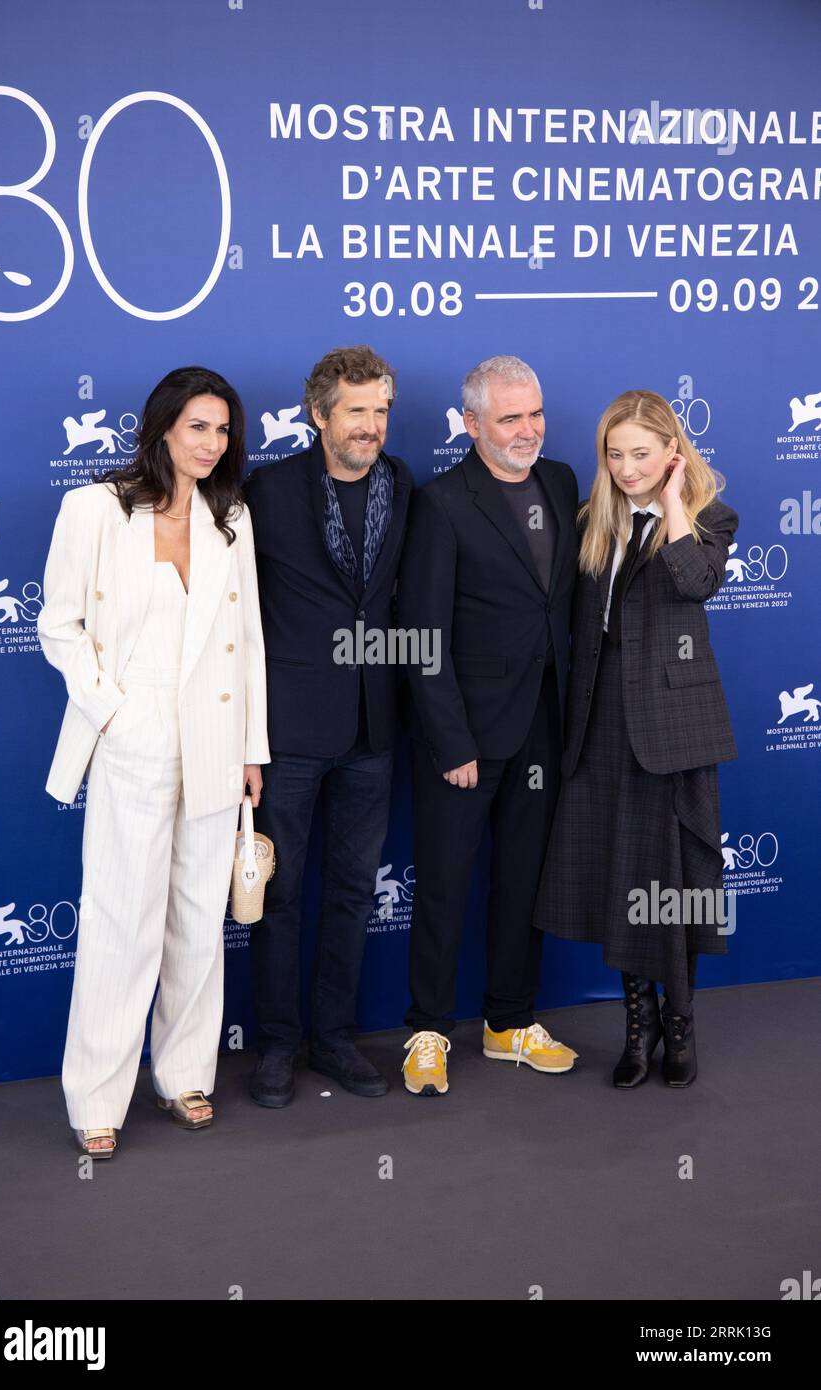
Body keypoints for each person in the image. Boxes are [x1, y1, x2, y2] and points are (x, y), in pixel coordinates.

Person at [37, 366, 268, 1157]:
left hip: (213, 729)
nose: (212, 443)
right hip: (132, 726)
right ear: (163, 426)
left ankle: (183, 1075)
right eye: (198, 426)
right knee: (118, 917)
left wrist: (250, 748)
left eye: (223, 429)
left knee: (198, 919)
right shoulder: (95, 509)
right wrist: (112, 708)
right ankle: (95, 1097)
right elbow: (57, 624)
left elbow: (252, 647)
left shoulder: (229, 514)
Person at [534, 389, 738, 1088]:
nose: (625, 468)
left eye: (641, 455)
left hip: (673, 730)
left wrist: (675, 499)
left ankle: (679, 1024)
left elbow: (694, 582)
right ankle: (637, 1023)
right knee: (619, 879)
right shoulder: (594, 521)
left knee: (672, 884)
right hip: (599, 729)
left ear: (670, 453)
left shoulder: (710, 517)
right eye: (613, 455)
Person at [397, 355, 579, 1096]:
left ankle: (508, 1023)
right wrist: (451, 742)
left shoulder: (563, 482)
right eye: (510, 418)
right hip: (466, 737)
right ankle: (427, 1032)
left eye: (534, 413)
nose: (527, 430)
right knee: (442, 884)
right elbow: (422, 635)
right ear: (470, 425)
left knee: (523, 882)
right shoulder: (441, 503)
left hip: (544, 725)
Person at [243, 345, 413, 1106]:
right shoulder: (266, 492)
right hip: (288, 730)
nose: (371, 425)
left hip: (373, 729)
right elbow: (233, 619)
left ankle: (335, 1038)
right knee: (278, 896)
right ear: (318, 415)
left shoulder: (403, 485)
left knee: (351, 892)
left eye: (380, 410)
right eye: (356, 411)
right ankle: (277, 1044)